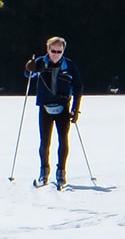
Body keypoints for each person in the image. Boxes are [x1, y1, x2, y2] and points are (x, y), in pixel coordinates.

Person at [23, 36, 83, 188]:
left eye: (59, 51)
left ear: (63, 51)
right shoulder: (41, 62)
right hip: (45, 107)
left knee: (63, 140)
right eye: (53, 50)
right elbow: (29, 75)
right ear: (48, 49)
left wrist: (76, 108)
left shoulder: (69, 65)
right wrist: (28, 68)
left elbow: (78, 87)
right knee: (45, 141)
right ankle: (44, 172)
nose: (56, 54)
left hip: (63, 107)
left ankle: (61, 172)